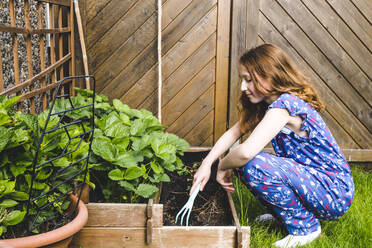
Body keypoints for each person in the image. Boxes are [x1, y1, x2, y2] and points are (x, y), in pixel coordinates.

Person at [189, 44, 354, 248]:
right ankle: (287, 215)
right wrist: (207, 163)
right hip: (313, 182)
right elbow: (233, 134)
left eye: (249, 80)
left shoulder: (285, 106)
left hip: (334, 191)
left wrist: (222, 166)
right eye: (243, 79)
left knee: (252, 164)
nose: (242, 87)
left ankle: (306, 229)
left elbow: (245, 152)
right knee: (245, 164)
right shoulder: (267, 105)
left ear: (271, 75)